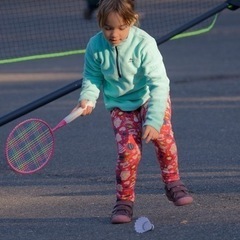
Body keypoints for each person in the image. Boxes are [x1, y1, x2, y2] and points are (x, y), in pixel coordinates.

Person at [74, 0, 193, 224]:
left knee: (163, 139)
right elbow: (92, 76)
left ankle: (173, 182)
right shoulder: (95, 46)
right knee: (128, 153)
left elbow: (159, 83)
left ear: (132, 21)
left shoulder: (144, 43)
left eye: (121, 27)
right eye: (108, 27)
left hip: (149, 97)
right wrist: (88, 98)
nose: (114, 34)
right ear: (100, 24)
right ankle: (124, 201)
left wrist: (154, 120)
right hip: (120, 105)